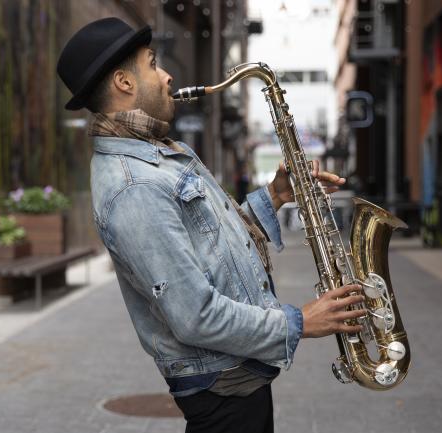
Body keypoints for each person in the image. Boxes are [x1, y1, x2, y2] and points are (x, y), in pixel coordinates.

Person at [56, 17, 366, 433]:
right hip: (221, 390)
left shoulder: (160, 154)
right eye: (152, 64)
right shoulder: (134, 186)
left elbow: (212, 244)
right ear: (124, 82)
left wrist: (274, 196)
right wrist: (300, 322)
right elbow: (195, 316)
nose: (166, 76)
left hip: (235, 378)